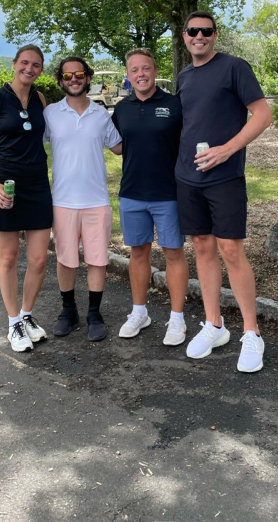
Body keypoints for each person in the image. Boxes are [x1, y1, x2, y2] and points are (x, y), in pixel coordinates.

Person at [175, 11, 272, 371]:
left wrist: (227, 150)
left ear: (215, 35)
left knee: (230, 250)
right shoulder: (183, 76)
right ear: (184, 35)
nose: (199, 36)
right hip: (188, 177)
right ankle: (214, 325)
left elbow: (262, 115)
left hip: (226, 176)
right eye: (193, 31)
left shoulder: (234, 67)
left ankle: (252, 333)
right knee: (202, 246)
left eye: (206, 31)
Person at [0, 44, 52, 354]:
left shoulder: (40, 99)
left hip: (37, 185)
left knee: (39, 259)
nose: (29, 69)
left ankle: (27, 315)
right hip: (5, 186)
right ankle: (13, 323)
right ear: (14, 64)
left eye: (36, 65)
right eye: (25, 62)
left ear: (41, 69)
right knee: (8, 257)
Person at [112, 48, 189, 345]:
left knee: (173, 253)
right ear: (128, 76)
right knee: (138, 252)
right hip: (131, 193)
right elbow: (115, 145)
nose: (141, 74)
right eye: (134, 70)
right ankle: (139, 313)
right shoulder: (122, 109)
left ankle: (178, 319)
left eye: (146, 68)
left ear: (155, 71)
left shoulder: (174, 105)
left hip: (168, 193)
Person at [44, 57, 122, 341]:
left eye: (79, 74)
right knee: (65, 259)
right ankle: (68, 311)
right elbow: (29, 145)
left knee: (97, 260)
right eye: (67, 76)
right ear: (60, 81)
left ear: (88, 78)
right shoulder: (50, 113)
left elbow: (120, 148)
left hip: (96, 201)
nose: (73, 79)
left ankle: (94, 313)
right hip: (62, 201)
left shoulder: (101, 115)